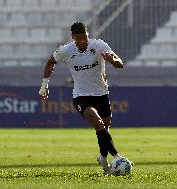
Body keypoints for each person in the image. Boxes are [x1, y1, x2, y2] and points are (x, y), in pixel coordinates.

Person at [39, 22, 125, 174]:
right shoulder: (66, 50)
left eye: (85, 37)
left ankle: (103, 160)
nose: (82, 41)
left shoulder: (99, 45)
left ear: (87, 35)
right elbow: (50, 62)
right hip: (81, 96)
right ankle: (117, 157)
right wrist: (44, 86)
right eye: (78, 39)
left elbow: (120, 64)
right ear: (73, 37)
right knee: (98, 123)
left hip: (102, 94)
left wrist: (112, 60)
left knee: (104, 130)